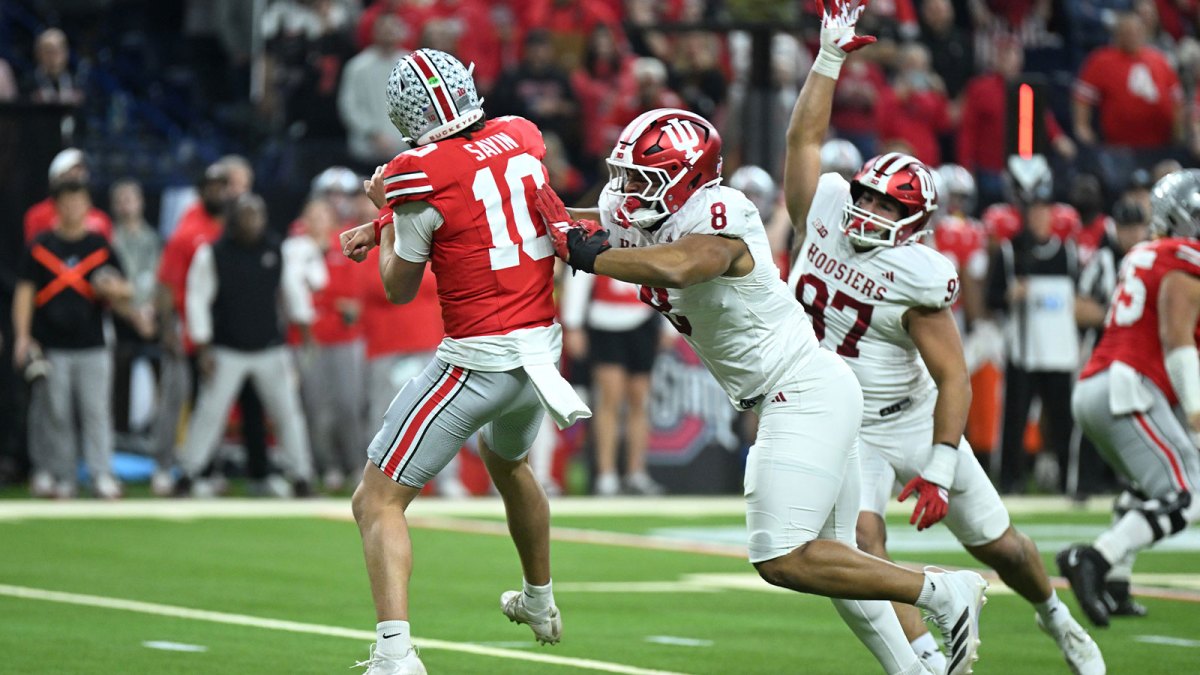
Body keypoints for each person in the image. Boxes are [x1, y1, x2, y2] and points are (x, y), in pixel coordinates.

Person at [535, 6, 987, 673]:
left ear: (683, 181)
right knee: (842, 571)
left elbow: (683, 263)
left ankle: (943, 588)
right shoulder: (645, 216)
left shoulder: (724, 214)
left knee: (783, 556)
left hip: (802, 390)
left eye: (640, 180)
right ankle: (917, 668)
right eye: (623, 175)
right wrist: (513, 207)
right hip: (806, 389)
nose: (624, 192)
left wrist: (586, 254)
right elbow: (579, 227)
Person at [782, 20, 1104, 672]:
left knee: (1002, 547)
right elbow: (803, 137)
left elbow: (954, 377)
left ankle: (1058, 618)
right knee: (861, 538)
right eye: (867, 194)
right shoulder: (821, 210)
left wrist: (939, 465)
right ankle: (930, 656)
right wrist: (829, 58)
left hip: (914, 417)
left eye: (887, 205)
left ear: (916, 227)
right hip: (851, 426)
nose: (869, 209)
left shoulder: (916, 274)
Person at [337, 48, 590, 674]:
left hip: (478, 358)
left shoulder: (413, 173)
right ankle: (540, 600)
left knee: (376, 500)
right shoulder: (521, 137)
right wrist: (392, 215)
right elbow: (485, 198)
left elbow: (399, 286)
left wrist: (387, 222)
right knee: (510, 465)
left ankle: (394, 656)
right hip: (540, 350)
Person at [1058, 169, 1200, 628]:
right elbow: (1177, 338)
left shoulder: (1144, 253)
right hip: (1127, 388)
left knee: (1144, 487)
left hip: (1101, 386)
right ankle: (1095, 560)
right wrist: (1195, 407)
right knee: (1188, 491)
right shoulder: (1183, 257)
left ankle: (1116, 582)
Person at [13, 181, 148, 499]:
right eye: (67, 202)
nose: (73, 208)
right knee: (55, 412)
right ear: (56, 206)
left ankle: (102, 474)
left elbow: (126, 288)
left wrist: (114, 289)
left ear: (88, 206)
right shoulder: (40, 246)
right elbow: (25, 292)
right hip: (53, 344)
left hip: (93, 342)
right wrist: (23, 336)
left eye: (79, 201)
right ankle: (63, 475)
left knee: (96, 412)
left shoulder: (100, 246)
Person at [176, 193, 316, 497]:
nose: (252, 221)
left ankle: (302, 476)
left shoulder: (276, 249)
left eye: (257, 214)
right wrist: (202, 346)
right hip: (226, 349)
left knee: (287, 414)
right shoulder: (213, 253)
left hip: (270, 348)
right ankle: (188, 474)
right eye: (245, 214)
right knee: (209, 413)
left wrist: (304, 329)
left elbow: (292, 292)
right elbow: (197, 300)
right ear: (233, 219)